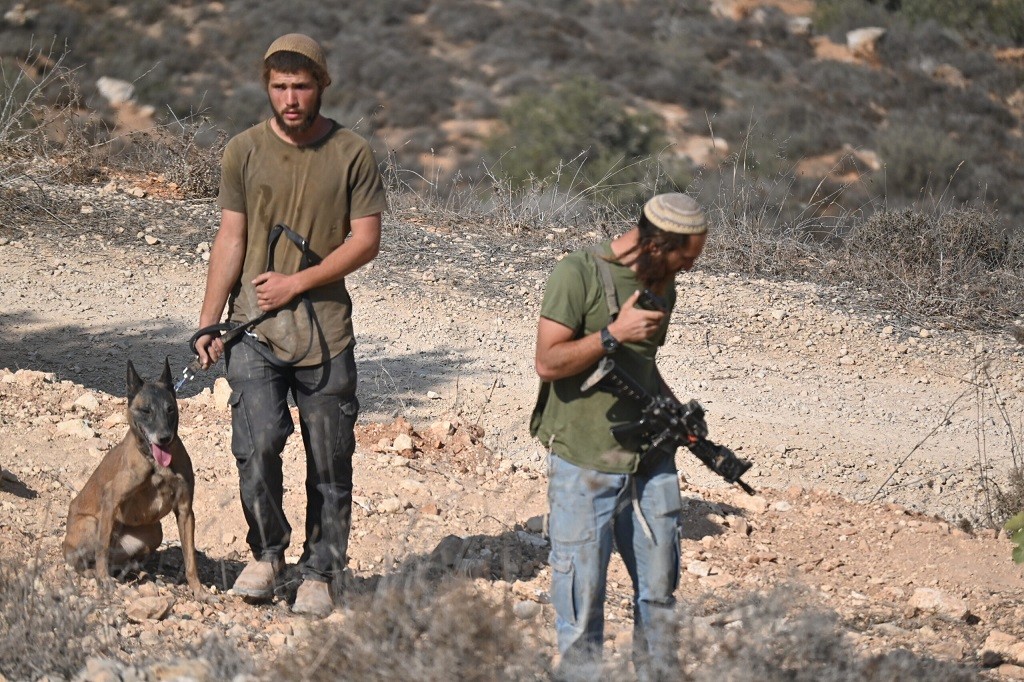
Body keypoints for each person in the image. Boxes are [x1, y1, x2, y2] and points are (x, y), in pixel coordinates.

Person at [194, 33, 387, 617]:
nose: (290, 97)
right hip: (252, 328)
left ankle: (321, 572)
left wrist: (297, 282)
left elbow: (367, 240)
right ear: (267, 88)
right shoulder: (244, 151)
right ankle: (266, 553)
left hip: (326, 332)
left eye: (301, 85)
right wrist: (208, 322)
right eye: (279, 87)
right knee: (257, 445)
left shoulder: (352, 152)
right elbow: (231, 236)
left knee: (330, 457)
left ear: (321, 86)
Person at [531, 193, 707, 677]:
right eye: (684, 257)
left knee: (659, 592)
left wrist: (677, 412)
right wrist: (613, 333)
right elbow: (548, 362)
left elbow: (643, 366)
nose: (688, 270)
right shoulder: (577, 274)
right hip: (584, 461)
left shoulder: (661, 283)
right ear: (656, 244)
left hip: (649, 457)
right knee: (582, 602)